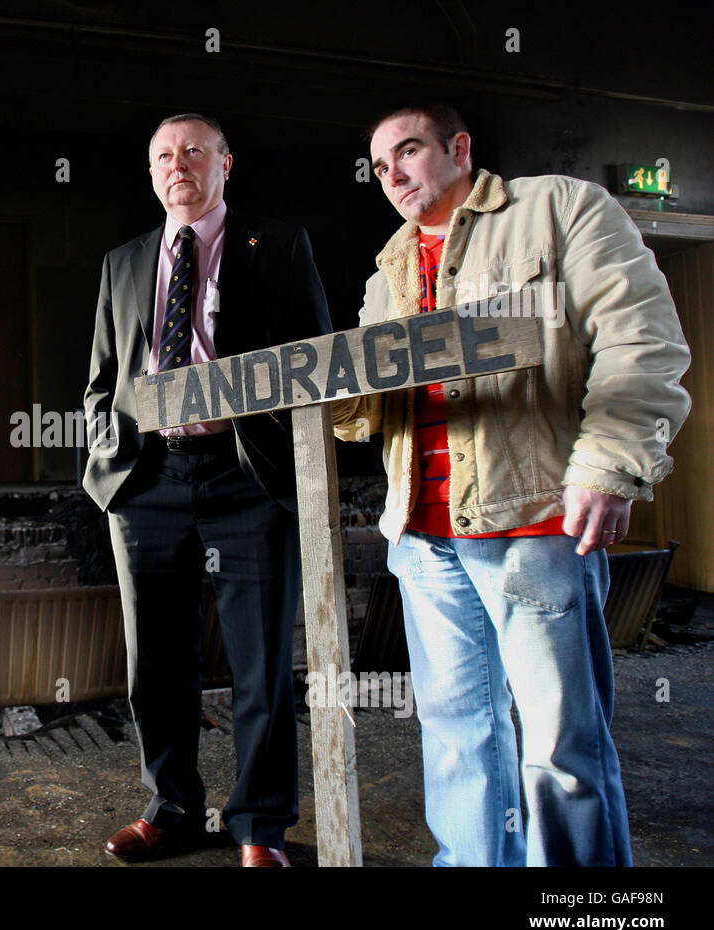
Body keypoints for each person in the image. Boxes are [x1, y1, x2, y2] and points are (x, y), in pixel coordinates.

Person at [331, 104, 691, 866]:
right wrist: (326, 396)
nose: (393, 173)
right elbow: (369, 409)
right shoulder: (390, 264)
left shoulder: (558, 208)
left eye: (410, 151)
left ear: (459, 148)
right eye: (380, 163)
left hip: (533, 527)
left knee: (561, 744)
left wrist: (606, 465)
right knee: (459, 737)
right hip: (424, 537)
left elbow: (641, 338)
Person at [83, 112, 332, 866]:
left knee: (260, 664)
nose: (177, 163)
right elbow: (101, 382)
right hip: (148, 479)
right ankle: (171, 810)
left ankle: (260, 827)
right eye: (163, 153)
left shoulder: (279, 245)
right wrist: (112, 459)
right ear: (152, 171)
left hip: (245, 475)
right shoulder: (122, 263)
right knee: (155, 663)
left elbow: (316, 363)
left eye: (194, 150)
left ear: (227, 164)